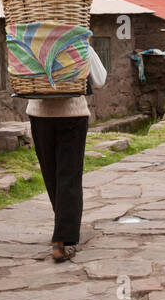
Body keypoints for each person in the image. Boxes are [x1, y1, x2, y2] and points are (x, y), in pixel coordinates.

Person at [27, 42, 107, 263]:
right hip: (72, 114)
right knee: (69, 176)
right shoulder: (78, 41)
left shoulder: (31, 42)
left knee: (51, 175)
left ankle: (62, 230)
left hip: (39, 114)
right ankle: (63, 241)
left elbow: (17, 73)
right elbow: (100, 79)